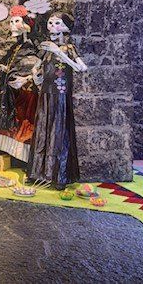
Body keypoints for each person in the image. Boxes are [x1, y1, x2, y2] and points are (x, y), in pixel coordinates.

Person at [27, 12, 87, 190]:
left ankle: (59, 175)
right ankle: (38, 172)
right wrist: (35, 75)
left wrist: (60, 53)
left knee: (59, 133)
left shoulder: (68, 48)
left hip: (61, 95)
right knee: (43, 131)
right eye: (50, 23)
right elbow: (37, 68)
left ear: (65, 28)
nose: (52, 27)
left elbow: (81, 68)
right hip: (46, 94)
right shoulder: (46, 48)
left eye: (57, 23)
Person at [0, 5, 40, 162]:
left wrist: (26, 78)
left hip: (28, 93)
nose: (12, 25)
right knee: (12, 121)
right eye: (11, 21)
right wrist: (3, 68)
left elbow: (38, 65)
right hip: (14, 92)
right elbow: (15, 66)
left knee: (26, 125)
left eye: (16, 21)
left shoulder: (33, 45)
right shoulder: (17, 46)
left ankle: (26, 158)